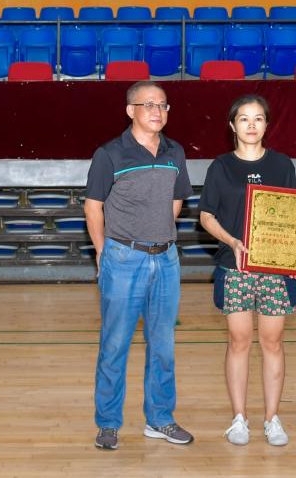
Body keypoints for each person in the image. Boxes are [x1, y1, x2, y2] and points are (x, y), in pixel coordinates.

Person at [84, 81, 195, 451]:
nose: (157, 111)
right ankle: (108, 424)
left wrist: (158, 234)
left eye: (163, 104)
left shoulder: (175, 152)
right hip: (123, 259)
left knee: (163, 345)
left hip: (166, 258)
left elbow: (177, 201)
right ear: (130, 110)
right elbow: (93, 206)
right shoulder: (109, 154)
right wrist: (103, 252)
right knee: (114, 344)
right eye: (148, 104)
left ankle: (160, 419)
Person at [198, 94, 296, 448]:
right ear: (233, 125)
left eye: (258, 118)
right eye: (244, 118)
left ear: (266, 124)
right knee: (239, 340)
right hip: (235, 267)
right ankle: (239, 418)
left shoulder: (282, 164)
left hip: (274, 268)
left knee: (272, 341)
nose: (251, 125)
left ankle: (272, 418)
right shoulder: (220, 167)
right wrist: (232, 241)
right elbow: (206, 216)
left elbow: (293, 214)